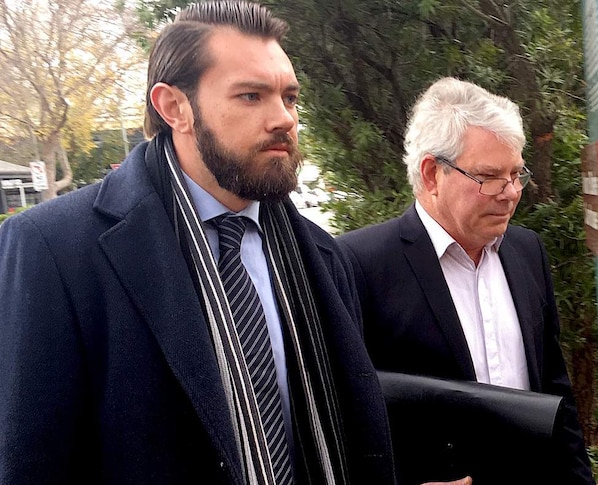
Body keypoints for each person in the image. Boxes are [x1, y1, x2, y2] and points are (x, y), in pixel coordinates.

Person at [0, 2, 397, 483]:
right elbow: (31, 462)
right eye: (251, 96)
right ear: (174, 107)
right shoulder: (55, 248)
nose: (284, 119)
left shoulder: (320, 254)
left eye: (290, 98)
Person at [337, 77, 596, 485]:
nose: (510, 192)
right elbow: (345, 414)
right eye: (490, 176)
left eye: (516, 174)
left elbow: (554, 390)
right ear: (431, 174)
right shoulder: (358, 264)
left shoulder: (527, 251)